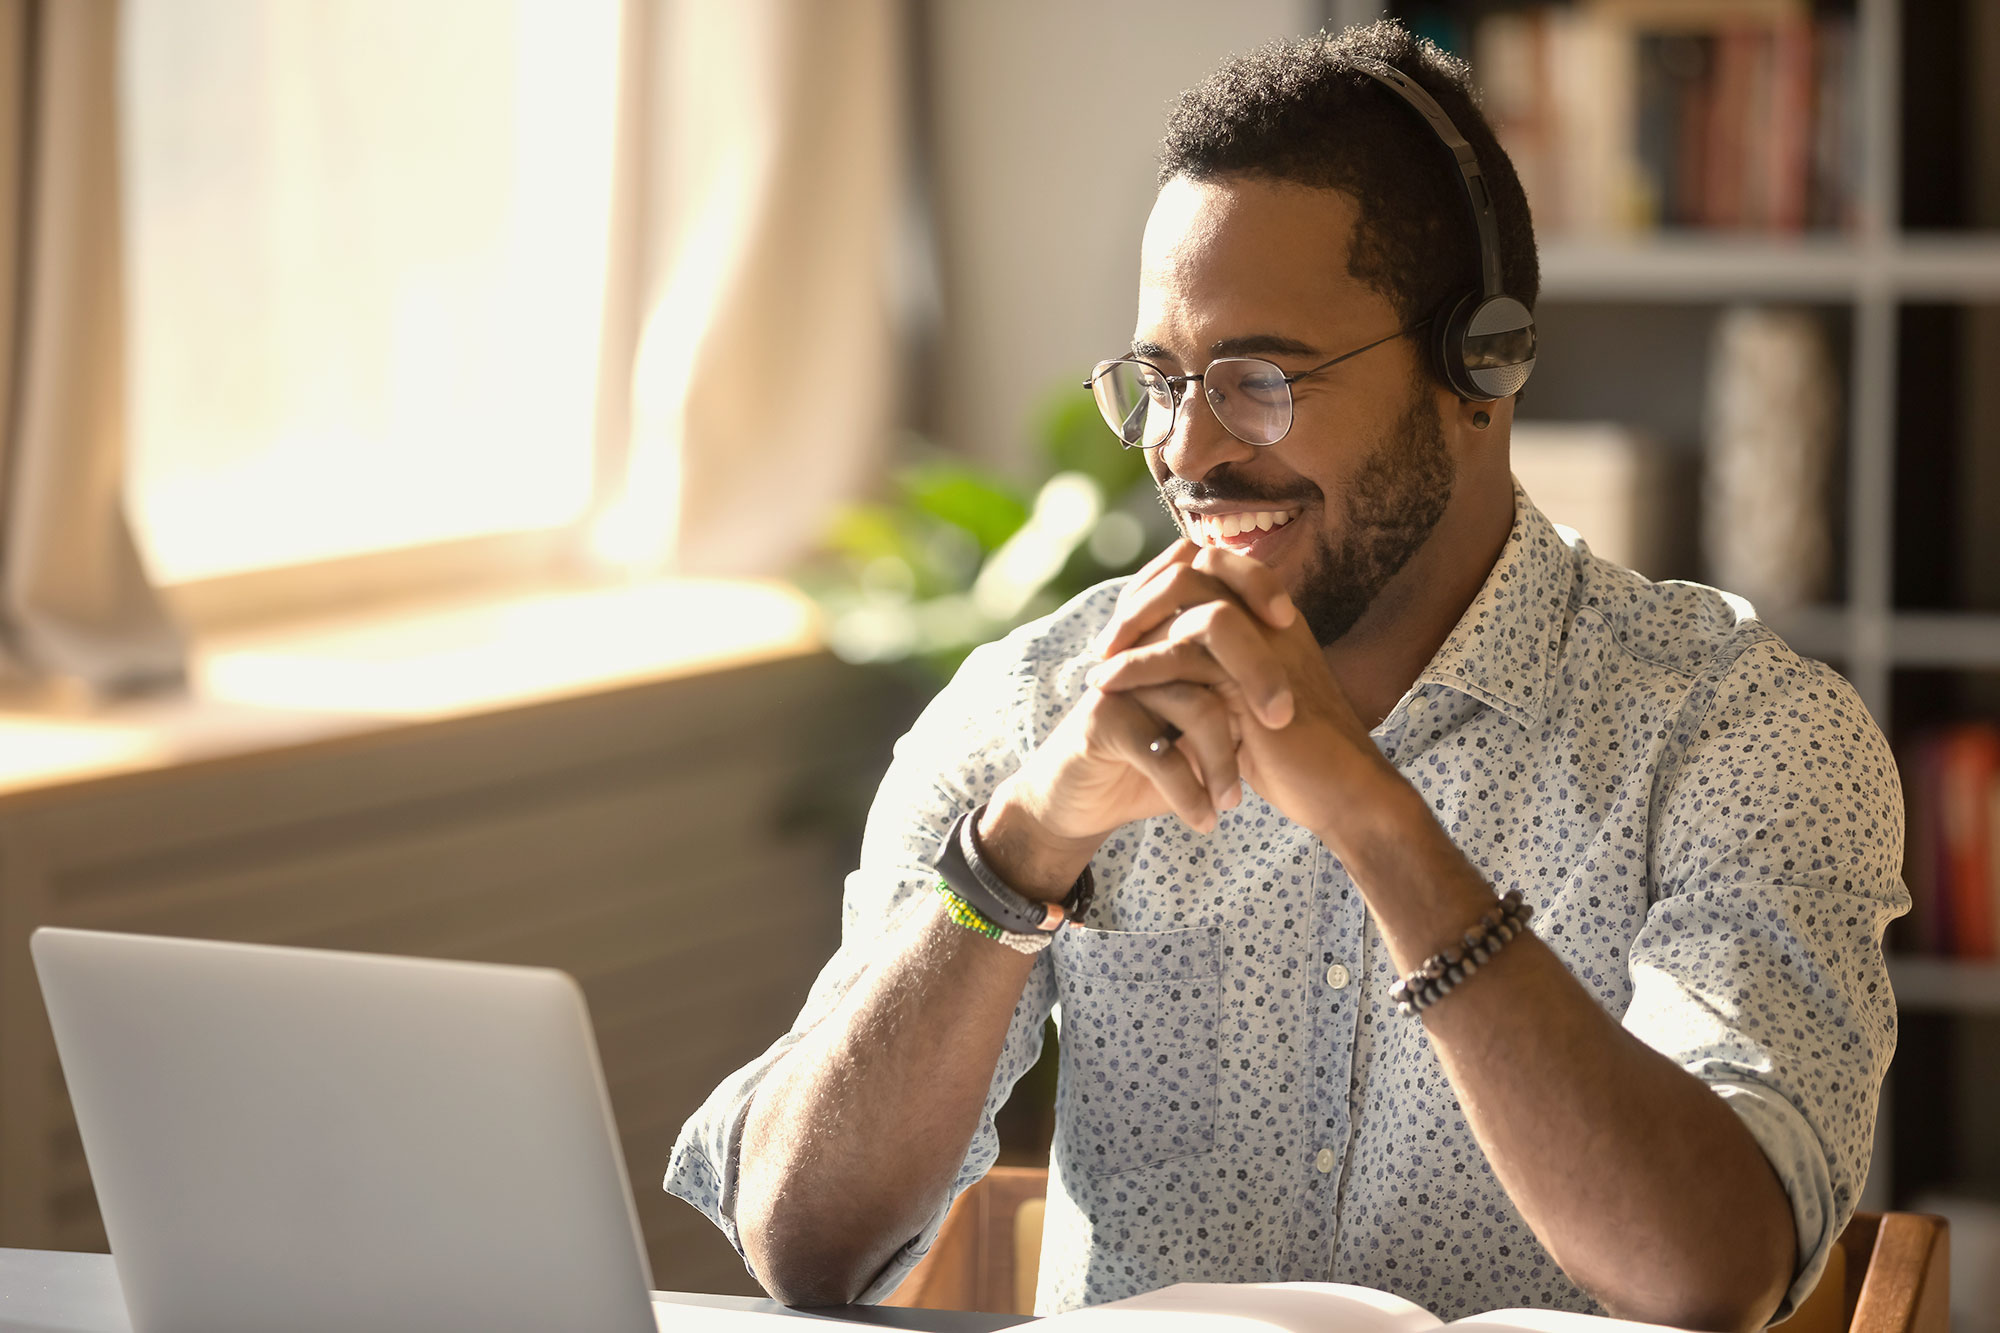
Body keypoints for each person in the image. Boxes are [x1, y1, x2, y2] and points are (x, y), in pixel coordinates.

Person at [667, 22, 1905, 1331]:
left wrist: (1375, 819)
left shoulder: (1743, 731)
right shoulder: (1040, 706)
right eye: (1158, 378)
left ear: (1479, 366)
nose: (1188, 449)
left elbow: (1711, 1268)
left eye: (1259, 378)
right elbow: (799, 1244)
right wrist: (1019, 850)